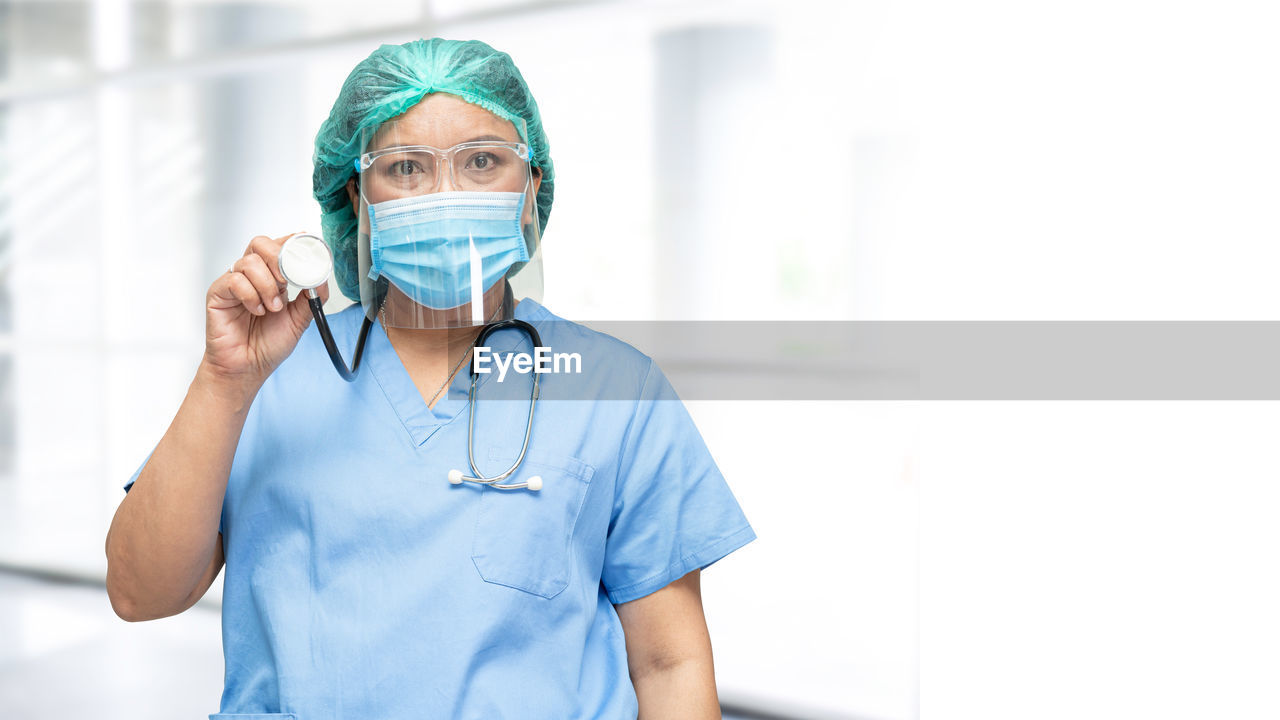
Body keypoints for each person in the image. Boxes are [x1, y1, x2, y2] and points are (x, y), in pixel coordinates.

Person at [105, 38, 754, 719]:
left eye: (481, 161)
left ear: (532, 190)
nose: (446, 194)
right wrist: (223, 381)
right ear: (357, 196)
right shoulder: (264, 379)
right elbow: (139, 593)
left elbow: (668, 663)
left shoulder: (615, 390)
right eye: (406, 167)